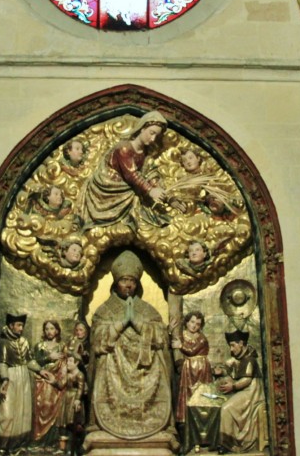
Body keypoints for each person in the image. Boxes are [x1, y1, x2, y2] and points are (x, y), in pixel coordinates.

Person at [88, 250, 175, 442]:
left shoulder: (147, 310)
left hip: (145, 370)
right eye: (124, 280)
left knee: (160, 357)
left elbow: (160, 338)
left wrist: (136, 322)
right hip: (114, 369)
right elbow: (97, 341)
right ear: (115, 282)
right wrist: (121, 324)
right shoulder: (104, 310)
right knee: (103, 358)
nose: (128, 285)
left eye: (132, 281)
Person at [76, 111, 181, 230]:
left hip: (131, 188)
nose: (153, 139)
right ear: (142, 128)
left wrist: (168, 197)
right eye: (151, 133)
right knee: (140, 202)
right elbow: (131, 174)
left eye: (156, 136)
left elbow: (150, 175)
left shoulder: (146, 153)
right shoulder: (124, 148)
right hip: (108, 189)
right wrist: (150, 190)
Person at [214, 331, 269, 454]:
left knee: (226, 408)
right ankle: (225, 441)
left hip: (251, 393)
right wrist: (221, 372)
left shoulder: (250, 359)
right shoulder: (240, 358)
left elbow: (246, 379)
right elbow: (232, 371)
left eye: (233, 345)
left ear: (241, 343)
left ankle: (227, 443)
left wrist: (232, 386)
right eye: (230, 346)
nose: (231, 349)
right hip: (244, 390)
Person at [0, 312, 40, 454]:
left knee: (23, 413)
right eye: (19, 325)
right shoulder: (4, 342)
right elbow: (2, 363)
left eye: (22, 325)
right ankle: (2, 446)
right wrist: (5, 380)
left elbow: (29, 361)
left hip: (24, 378)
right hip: (11, 378)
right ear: (11, 325)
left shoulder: (24, 341)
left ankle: (17, 445)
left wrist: (40, 370)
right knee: (7, 414)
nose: (21, 329)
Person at [171, 310, 212, 424]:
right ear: (187, 322)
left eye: (198, 324)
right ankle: (186, 418)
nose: (194, 326)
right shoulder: (182, 334)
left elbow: (192, 351)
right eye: (192, 322)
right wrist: (170, 330)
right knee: (187, 390)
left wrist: (180, 345)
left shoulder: (201, 338)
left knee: (199, 391)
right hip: (188, 368)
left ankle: (200, 418)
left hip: (200, 367)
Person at [32, 320, 65, 445]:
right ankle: (39, 438)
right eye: (47, 329)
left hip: (55, 382)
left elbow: (65, 363)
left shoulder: (61, 346)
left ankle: (52, 440)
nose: (49, 331)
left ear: (57, 330)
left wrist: (58, 379)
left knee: (53, 407)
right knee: (42, 406)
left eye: (52, 328)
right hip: (42, 381)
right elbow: (35, 361)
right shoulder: (40, 346)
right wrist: (49, 357)